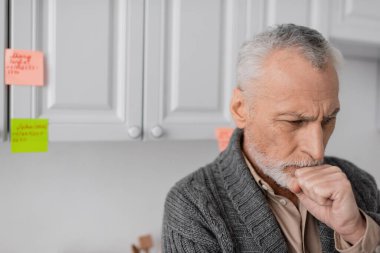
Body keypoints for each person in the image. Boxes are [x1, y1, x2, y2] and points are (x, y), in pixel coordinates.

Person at [161, 24, 380, 252]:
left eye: (327, 120)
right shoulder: (193, 205)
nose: (317, 151)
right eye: (294, 122)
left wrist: (356, 231)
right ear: (240, 108)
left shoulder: (357, 183)